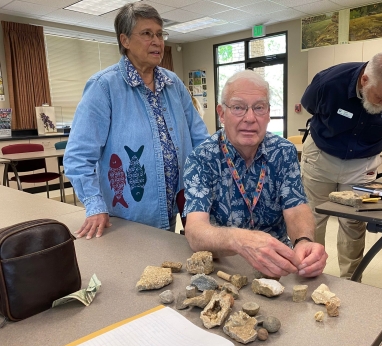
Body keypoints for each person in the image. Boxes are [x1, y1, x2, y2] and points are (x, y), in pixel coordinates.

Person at [64, 2, 209, 239]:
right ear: (125, 40)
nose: (157, 41)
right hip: (126, 214)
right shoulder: (104, 87)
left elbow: (200, 138)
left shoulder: (173, 84)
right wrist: (94, 205)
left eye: (160, 34)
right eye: (147, 34)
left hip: (176, 206)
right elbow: (78, 157)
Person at [183, 70, 328, 278]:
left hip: (278, 264)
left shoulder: (284, 152)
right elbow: (195, 231)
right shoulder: (202, 158)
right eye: (238, 107)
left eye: (259, 108)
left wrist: (303, 241)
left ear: (268, 113)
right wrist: (240, 241)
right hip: (224, 267)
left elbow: (296, 208)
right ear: (221, 113)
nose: (250, 118)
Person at [300, 52, 382, 278]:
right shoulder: (329, 82)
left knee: (353, 224)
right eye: (380, 97)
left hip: (363, 163)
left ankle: (350, 280)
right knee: (313, 217)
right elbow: (308, 105)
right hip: (322, 156)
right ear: (365, 80)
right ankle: (310, 272)